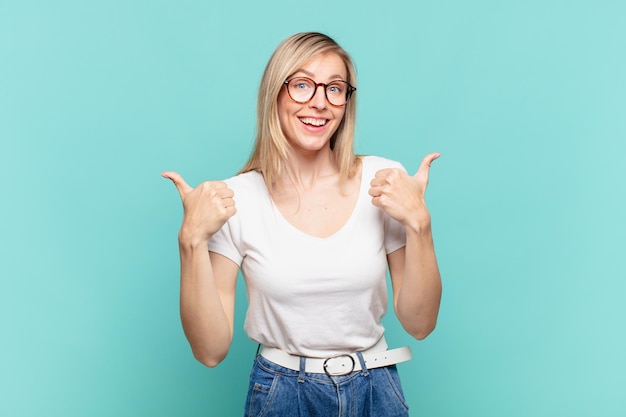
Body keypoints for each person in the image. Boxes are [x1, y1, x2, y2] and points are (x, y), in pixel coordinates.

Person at [162, 32, 442, 417]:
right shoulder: (235, 199)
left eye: (335, 89)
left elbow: (420, 323)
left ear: (347, 101)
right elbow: (209, 351)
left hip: (377, 390)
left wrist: (420, 224)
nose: (320, 103)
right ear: (274, 94)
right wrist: (191, 241)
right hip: (282, 394)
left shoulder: (384, 182)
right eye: (302, 85)